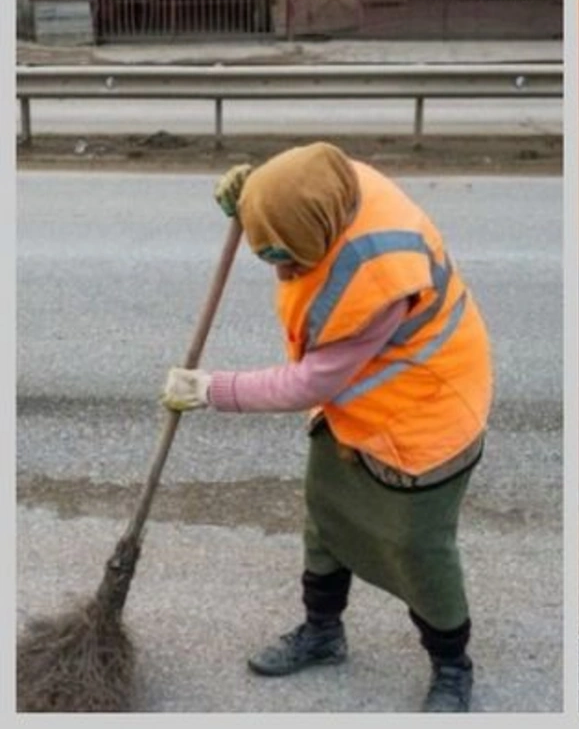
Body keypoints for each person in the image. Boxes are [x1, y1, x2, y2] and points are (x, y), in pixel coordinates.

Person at [161, 142, 493, 712]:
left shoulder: (379, 275)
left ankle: (452, 666)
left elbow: (314, 381)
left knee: (417, 549)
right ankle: (322, 633)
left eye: (290, 257)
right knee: (325, 517)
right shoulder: (332, 191)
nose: (285, 272)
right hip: (358, 410)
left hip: (424, 416)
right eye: (272, 257)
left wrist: (212, 390)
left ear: (322, 228)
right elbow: (295, 186)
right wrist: (257, 194)